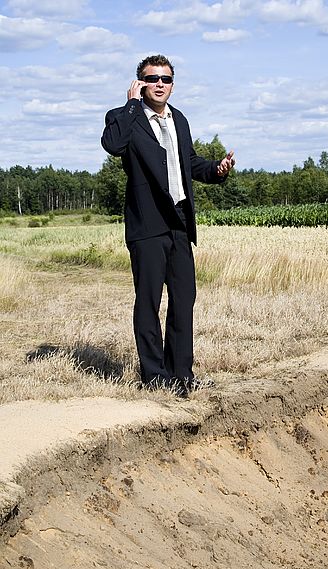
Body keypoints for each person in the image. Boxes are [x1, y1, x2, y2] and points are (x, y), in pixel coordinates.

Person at [101, 54, 235, 398]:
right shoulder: (123, 118)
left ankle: (181, 374)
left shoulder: (180, 120)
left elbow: (187, 162)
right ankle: (154, 375)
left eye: (166, 78)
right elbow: (113, 145)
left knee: (183, 298)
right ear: (140, 82)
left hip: (178, 222)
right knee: (148, 301)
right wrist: (131, 105)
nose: (160, 83)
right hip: (147, 224)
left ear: (173, 84)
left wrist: (216, 170)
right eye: (152, 78)